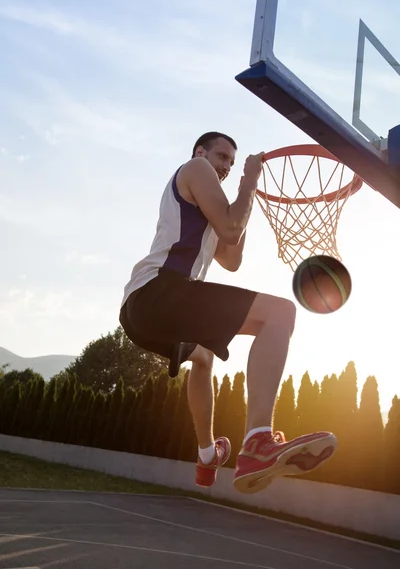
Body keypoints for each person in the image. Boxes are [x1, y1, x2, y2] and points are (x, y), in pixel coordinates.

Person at [119, 131, 337, 494]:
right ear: (201, 152)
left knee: (204, 357)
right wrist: (249, 180)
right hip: (159, 290)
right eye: (222, 157)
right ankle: (258, 443)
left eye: (231, 164)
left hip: (143, 313)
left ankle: (206, 455)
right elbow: (231, 228)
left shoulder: (207, 204)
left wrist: (243, 197)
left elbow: (231, 258)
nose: (224, 167)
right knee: (280, 314)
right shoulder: (194, 168)